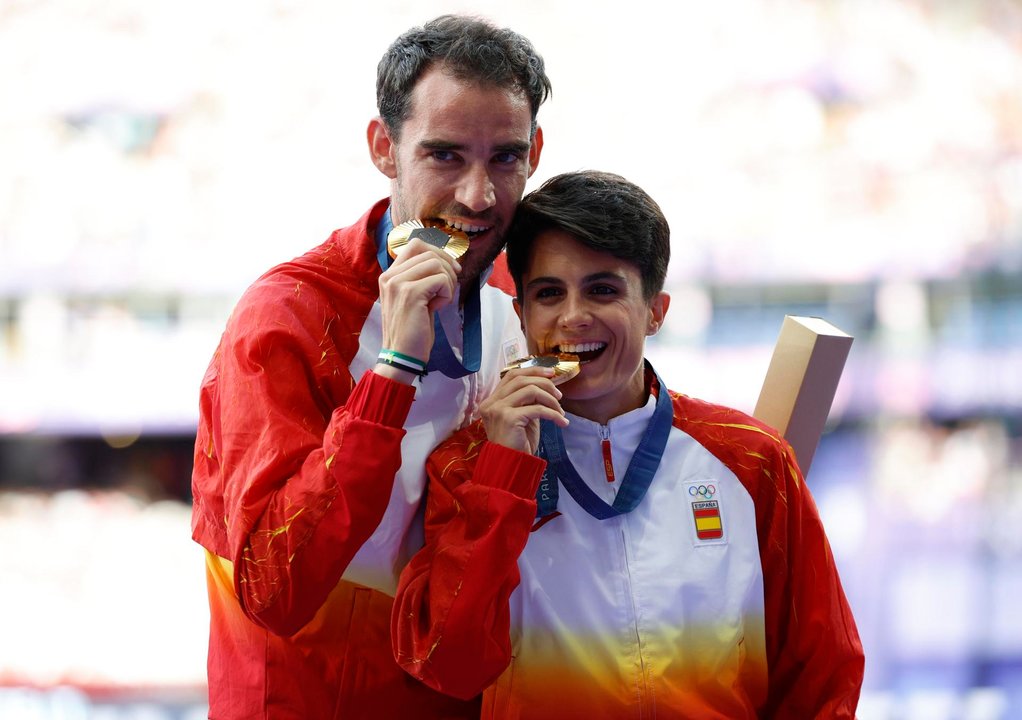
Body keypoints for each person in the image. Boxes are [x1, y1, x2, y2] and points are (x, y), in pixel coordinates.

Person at [391, 170, 865, 719]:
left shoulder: (750, 459)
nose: (573, 317)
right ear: (520, 315)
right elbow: (448, 666)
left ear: (656, 311)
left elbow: (822, 675)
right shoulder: (467, 465)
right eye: (549, 293)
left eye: (603, 289)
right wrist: (502, 475)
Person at [189, 14, 550, 719]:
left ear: (536, 150)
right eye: (445, 156)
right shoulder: (287, 316)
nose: (478, 196)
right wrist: (390, 375)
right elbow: (274, 590)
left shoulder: (521, 299)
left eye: (504, 158)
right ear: (385, 148)